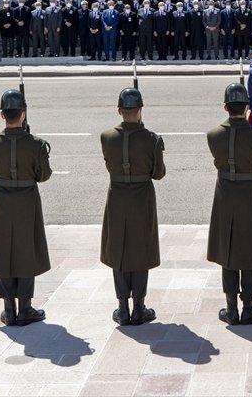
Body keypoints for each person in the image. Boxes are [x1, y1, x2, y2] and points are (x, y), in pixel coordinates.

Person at [206, 83, 252, 324]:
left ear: (225, 107)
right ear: (247, 107)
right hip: (248, 194)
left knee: (228, 249)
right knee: (249, 249)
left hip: (225, 194)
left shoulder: (213, 135)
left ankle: (231, 307)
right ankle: (249, 306)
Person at [0, 89, 51, 326]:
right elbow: (43, 176)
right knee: (26, 249)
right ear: (23, 114)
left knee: (4, 250)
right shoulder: (36, 145)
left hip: (3, 199)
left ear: (2, 115)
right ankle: (25, 307)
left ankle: (8, 309)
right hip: (27, 199)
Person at [100, 87, 165, 325]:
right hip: (141, 197)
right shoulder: (151, 139)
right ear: (140, 110)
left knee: (118, 248)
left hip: (117, 196)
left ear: (119, 110)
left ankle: (122, 306)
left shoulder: (107, 137)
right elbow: (158, 173)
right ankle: (139, 306)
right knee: (140, 248)